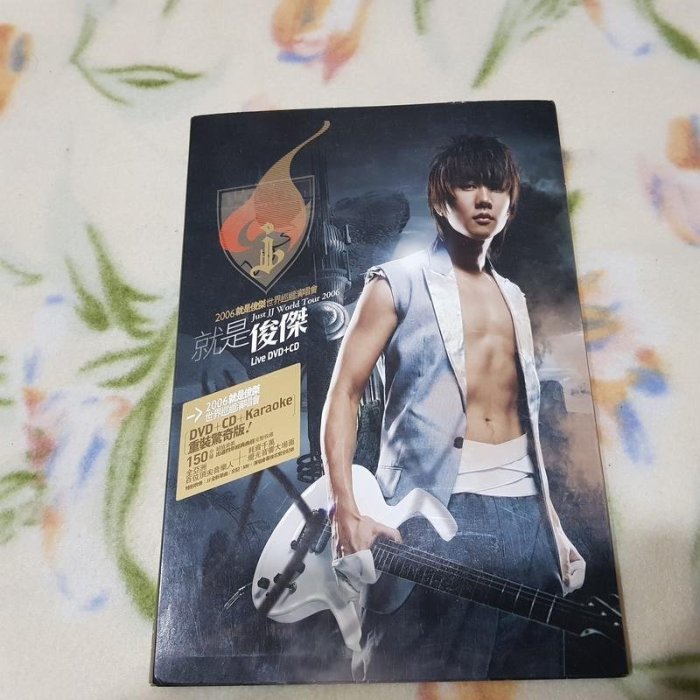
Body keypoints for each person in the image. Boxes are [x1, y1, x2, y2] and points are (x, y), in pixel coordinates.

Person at [320, 135, 585, 681]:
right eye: (468, 185)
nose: (485, 198)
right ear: (441, 201)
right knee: (432, 676)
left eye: (497, 187)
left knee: (538, 677)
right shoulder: (395, 282)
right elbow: (344, 392)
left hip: (529, 519)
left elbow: (528, 421)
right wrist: (344, 507)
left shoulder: (514, 296)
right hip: (438, 510)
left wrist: (554, 528)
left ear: (511, 202)